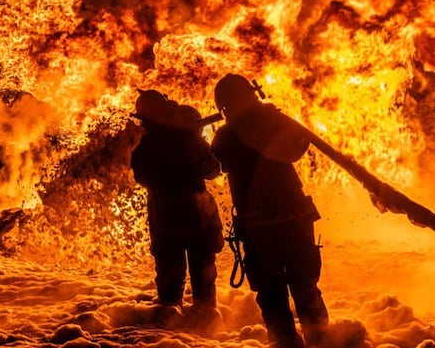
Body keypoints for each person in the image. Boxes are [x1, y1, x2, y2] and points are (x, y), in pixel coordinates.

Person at [209, 74, 329, 348]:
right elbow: (298, 146)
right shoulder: (271, 124)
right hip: (287, 220)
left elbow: (215, 160)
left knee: (276, 293)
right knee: (302, 287)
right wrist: (274, 119)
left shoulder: (227, 135)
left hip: (263, 226)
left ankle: (294, 343)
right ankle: (319, 342)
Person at [129, 88, 225, 326]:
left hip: (180, 217)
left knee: (185, 280)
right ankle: (192, 329)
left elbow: (212, 168)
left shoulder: (170, 141)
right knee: (187, 279)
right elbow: (212, 169)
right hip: (181, 217)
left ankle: (194, 330)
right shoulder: (155, 143)